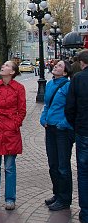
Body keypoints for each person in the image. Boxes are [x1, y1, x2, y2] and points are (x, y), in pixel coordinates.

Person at [0, 60, 26, 210]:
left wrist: (15, 124)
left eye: (7, 66)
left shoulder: (19, 88)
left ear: (13, 72)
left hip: (10, 132)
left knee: (9, 167)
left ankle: (10, 198)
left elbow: (22, 110)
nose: (3, 67)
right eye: (4, 65)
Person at [40, 60, 74, 211]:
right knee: (52, 164)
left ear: (65, 72)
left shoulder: (68, 86)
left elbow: (72, 107)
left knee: (63, 166)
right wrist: (44, 119)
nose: (56, 66)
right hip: (50, 128)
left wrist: (63, 122)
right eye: (56, 64)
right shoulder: (49, 85)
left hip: (63, 130)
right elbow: (47, 105)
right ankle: (57, 193)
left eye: (60, 66)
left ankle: (64, 199)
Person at [65, 50, 88, 223]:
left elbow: (70, 108)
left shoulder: (78, 79)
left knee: (84, 171)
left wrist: (76, 125)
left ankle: (86, 211)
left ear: (81, 63)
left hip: (83, 130)